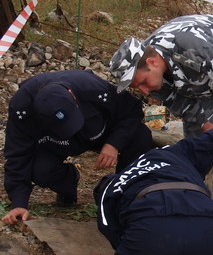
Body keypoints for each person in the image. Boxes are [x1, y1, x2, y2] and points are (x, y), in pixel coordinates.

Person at [2, 70, 153, 225]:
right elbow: (17, 156)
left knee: (140, 136)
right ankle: (68, 182)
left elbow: (132, 111)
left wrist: (114, 144)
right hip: (54, 144)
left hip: (98, 133)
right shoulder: (21, 110)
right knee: (40, 169)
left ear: (71, 95)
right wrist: (19, 204)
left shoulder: (92, 87)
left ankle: (125, 195)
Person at [109, 14, 213, 142]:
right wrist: (205, 124)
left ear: (152, 62)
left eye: (143, 83)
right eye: (137, 87)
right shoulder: (150, 73)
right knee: (201, 143)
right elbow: (180, 103)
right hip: (198, 75)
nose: (144, 91)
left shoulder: (191, 48)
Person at [94, 122, 213, 255]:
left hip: (152, 230)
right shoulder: (179, 152)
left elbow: (111, 229)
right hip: (209, 227)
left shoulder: (112, 186)